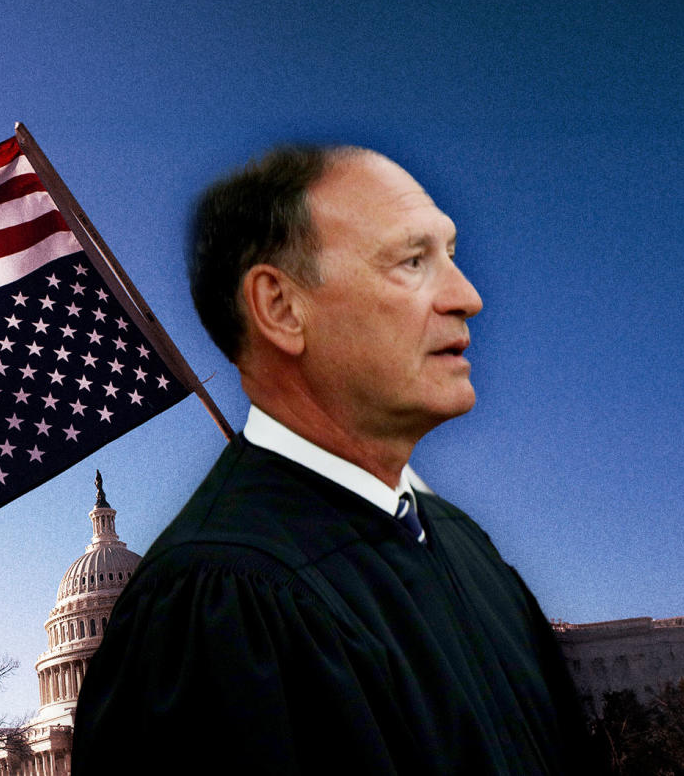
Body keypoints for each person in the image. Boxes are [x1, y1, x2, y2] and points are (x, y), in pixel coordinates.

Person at [71, 146, 594, 773]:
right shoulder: (214, 603)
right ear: (282, 308)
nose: (467, 296)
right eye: (409, 262)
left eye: (449, 258)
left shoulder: (472, 555)